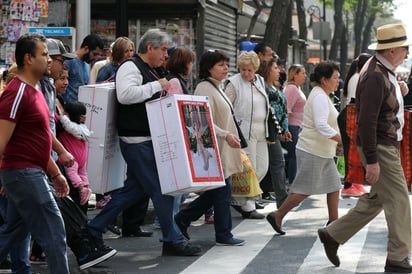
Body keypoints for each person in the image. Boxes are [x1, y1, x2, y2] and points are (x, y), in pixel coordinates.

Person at [87, 29, 201, 256]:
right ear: (150, 48)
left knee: (133, 191)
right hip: (137, 140)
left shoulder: (151, 68)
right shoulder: (131, 66)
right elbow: (126, 95)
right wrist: (158, 85)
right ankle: (172, 239)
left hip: (148, 139)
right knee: (162, 190)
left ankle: (94, 228)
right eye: (162, 49)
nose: (165, 55)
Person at [318, 23, 412, 273]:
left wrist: (400, 90)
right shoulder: (374, 75)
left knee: (377, 199)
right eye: (405, 48)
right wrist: (372, 160)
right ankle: (397, 259)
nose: (408, 53)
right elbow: (366, 121)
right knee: (400, 201)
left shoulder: (383, 70)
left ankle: (332, 235)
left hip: (385, 144)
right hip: (380, 146)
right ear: (391, 50)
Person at [0, 33, 70, 274]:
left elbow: (38, 140)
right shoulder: (16, 92)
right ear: (28, 59)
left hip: (31, 173)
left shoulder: (36, 91)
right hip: (24, 174)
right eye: (44, 54)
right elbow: (1, 141)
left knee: (11, 234)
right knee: (55, 233)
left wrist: (55, 173)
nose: (49, 60)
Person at [174, 49, 245, 246]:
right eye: (220, 65)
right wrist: (225, 134)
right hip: (214, 150)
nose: (226, 68)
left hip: (223, 148)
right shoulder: (204, 88)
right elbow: (201, 122)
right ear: (209, 68)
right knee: (222, 192)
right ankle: (223, 234)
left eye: (226, 64)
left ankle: (183, 219)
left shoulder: (217, 86)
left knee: (218, 192)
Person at [266, 61, 342, 235]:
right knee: (303, 190)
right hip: (313, 150)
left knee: (334, 185)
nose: (338, 81)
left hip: (322, 151)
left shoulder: (322, 95)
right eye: (335, 78)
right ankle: (278, 215)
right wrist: (341, 139)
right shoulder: (320, 97)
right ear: (324, 79)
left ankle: (334, 223)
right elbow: (321, 125)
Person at [225, 51, 269, 219]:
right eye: (243, 69)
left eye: (249, 70)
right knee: (249, 169)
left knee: (262, 167)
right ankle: (247, 205)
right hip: (244, 131)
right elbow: (227, 106)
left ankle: (242, 200)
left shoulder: (260, 81)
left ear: (255, 69)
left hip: (261, 130)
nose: (245, 73)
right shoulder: (233, 83)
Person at [257, 58, 291, 208]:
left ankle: (280, 198)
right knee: (275, 163)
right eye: (275, 68)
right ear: (267, 70)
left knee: (274, 164)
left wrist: (284, 129)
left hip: (276, 132)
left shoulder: (274, 86)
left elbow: (281, 111)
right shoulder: (263, 88)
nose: (279, 71)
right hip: (267, 132)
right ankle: (281, 199)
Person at [340, 53, 371, 198]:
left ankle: (355, 182)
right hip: (352, 114)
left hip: (352, 113)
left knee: (354, 151)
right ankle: (348, 185)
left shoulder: (355, 76)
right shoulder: (358, 77)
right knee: (351, 150)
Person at [58, 101, 93, 206]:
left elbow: (67, 124)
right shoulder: (83, 128)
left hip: (72, 156)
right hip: (82, 156)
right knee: (83, 173)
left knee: (71, 173)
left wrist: (62, 116)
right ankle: (86, 187)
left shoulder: (68, 127)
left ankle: (82, 189)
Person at [281, 64, 307, 185]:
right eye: (302, 73)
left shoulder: (297, 88)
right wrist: (285, 129)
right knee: (294, 155)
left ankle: (294, 180)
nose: (305, 76)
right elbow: (287, 110)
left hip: (297, 126)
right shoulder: (291, 88)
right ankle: (293, 182)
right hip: (291, 126)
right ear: (295, 74)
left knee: (296, 155)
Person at [64, 34, 104, 102]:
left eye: (98, 55)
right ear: (86, 48)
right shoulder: (69, 61)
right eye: (94, 54)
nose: (95, 58)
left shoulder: (87, 64)